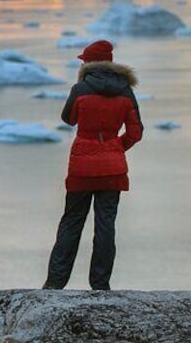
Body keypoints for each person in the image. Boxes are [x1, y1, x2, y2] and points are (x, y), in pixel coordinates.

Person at [43, 40, 143, 291]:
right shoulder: (126, 91)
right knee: (105, 225)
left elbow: (68, 118)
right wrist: (115, 146)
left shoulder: (80, 89)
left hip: (82, 167)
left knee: (72, 221)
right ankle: (100, 284)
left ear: (89, 63)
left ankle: (55, 283)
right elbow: (136, 131)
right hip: (113, 166)